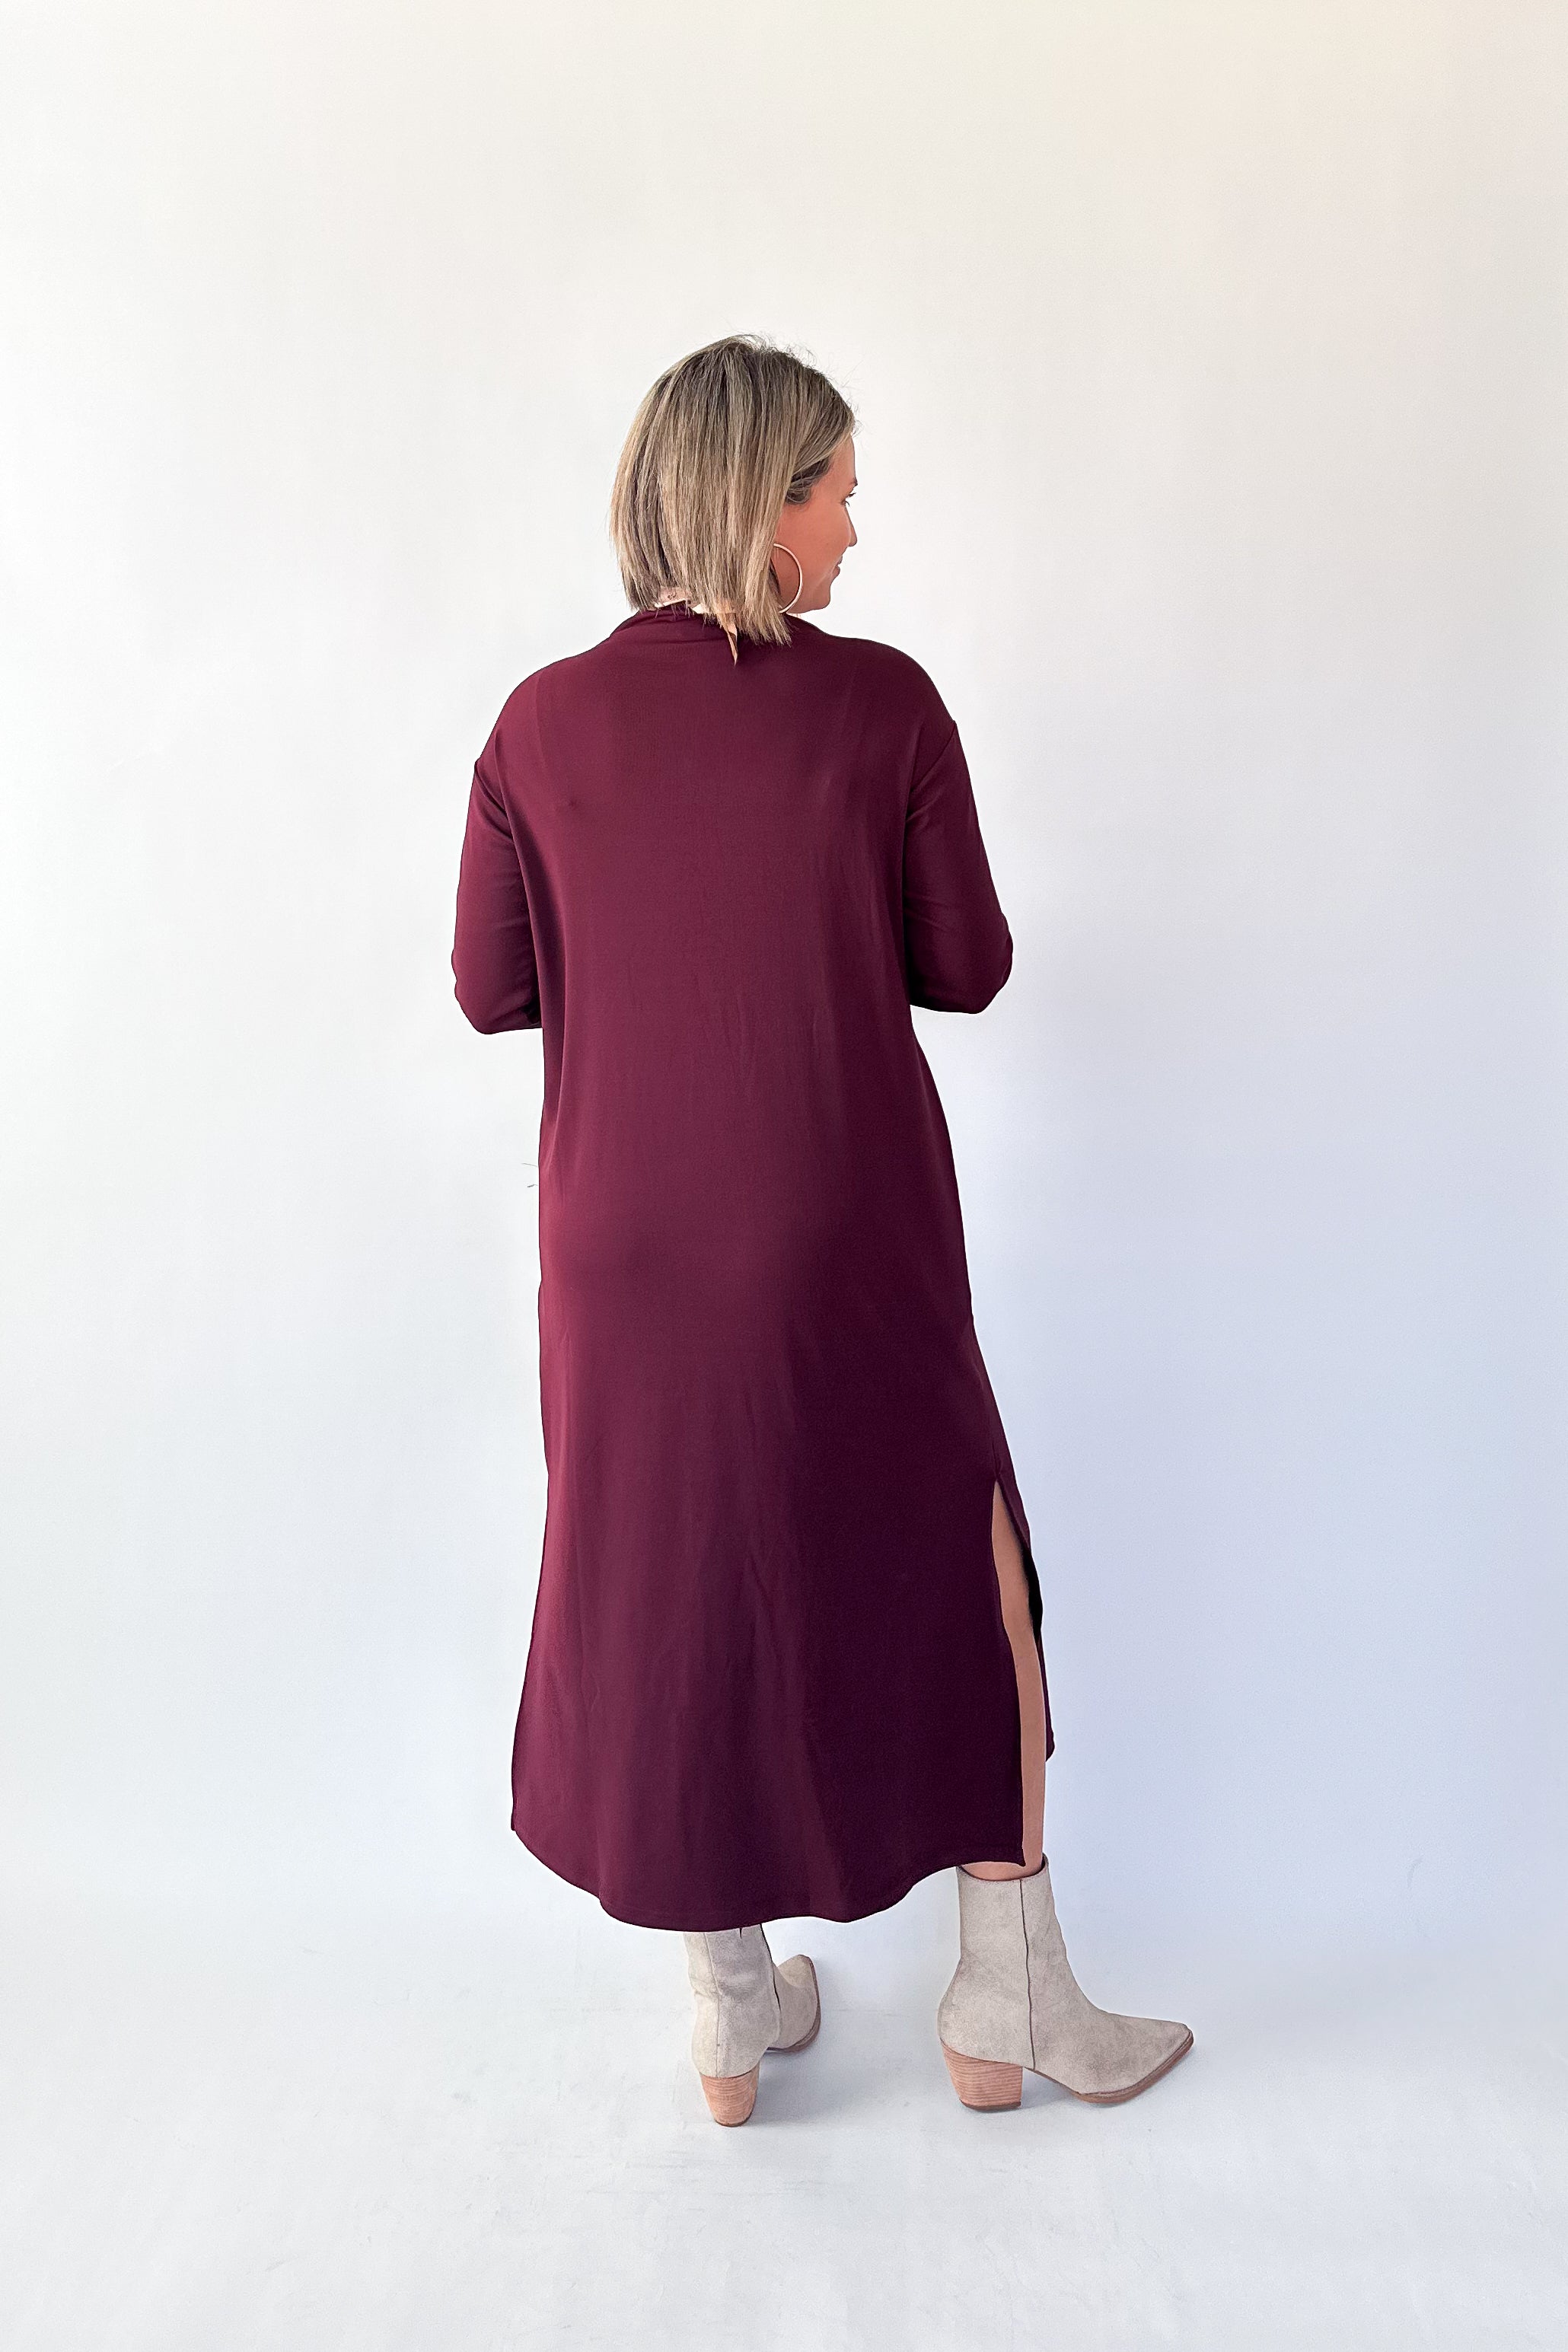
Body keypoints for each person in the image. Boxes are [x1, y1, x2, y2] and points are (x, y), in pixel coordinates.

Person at [452, 335, 1191, 2124]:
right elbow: (971, 963)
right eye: (839, 493)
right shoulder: (881, 708)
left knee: (672, 1579)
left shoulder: (537, 725)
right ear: (759, 505)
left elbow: (490, 988)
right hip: (837, 1230)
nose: (858, 527)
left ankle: (728, 2011)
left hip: (618, 1258)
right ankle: (1007, 2000)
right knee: (970, 1566)